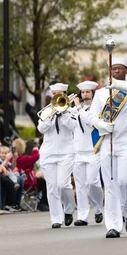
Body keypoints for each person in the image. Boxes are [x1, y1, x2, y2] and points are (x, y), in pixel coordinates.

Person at [87, 57, 127, 238]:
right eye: (113, 69)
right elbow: (91, 116)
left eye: (120, 69)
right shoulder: (100, 94)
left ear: (126, 71)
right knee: (111, 184)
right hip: (107, 142)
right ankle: (113, 225)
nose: (116, 72)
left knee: (125, 180)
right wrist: (101, 125)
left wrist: (121, 86)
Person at [37, 83, 77, 228]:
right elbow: (41, 128)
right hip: (48, 152)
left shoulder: (72, 112)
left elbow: (73, 127)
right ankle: (56, 218)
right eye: (54, 94)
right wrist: (52, 115)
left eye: (59, 94)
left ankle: (68, 210)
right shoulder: (46, 111)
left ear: (65, 95)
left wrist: (63, 113)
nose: (56, 96)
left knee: (63, 184)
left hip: (66, 152)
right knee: (52, 186)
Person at [72, 80, 104, 226]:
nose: (85, 95)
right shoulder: (74, 110)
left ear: (92, 94)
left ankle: (98, 207)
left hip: (93, 150)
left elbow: (89, 121)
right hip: (78, 151)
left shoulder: (96, 110)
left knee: (92, 182)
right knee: (80, 185)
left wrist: (78, 108)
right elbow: (69, 125)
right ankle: (82, 216)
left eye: (87, 92)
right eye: (83, 92)